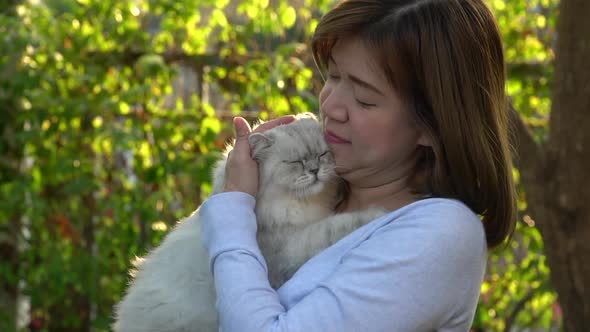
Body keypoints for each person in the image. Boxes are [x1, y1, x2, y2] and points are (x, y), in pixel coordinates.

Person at [199, 0, 516, 330]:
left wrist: (232, 206)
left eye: (365, 99)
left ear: (432, 125)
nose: (331, 106)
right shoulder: (318, 189)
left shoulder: (442, 233)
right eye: (333, 76)